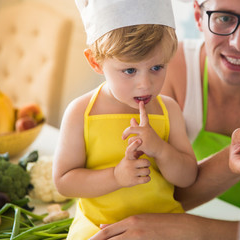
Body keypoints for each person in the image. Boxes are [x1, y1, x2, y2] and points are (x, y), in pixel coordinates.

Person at [89, 0, 240, 239]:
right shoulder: (160, 71)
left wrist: (188, 229)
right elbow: (151, 194)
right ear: (198, 17)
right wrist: (232, 162)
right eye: (224, 18)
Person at [52, 0, 198, 238]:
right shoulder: (80, 113)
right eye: (130, 71)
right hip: (99, 224)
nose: (145, 84)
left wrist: (160, 149)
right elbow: (64, 182)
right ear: (95, 62)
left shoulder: (168, 110)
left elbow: (188, 177)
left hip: (163, 224)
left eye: (157, 67)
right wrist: (116, 176)